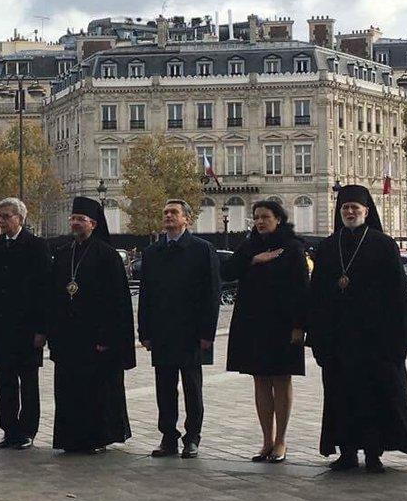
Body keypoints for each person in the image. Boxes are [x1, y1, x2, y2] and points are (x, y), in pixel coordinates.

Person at [308, 184, 407, 473]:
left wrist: (399, 339)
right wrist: (317, 336)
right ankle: (347, 453)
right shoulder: (328, 247)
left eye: (355, 208)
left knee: (375, 397)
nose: (350, 212)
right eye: (345, 208)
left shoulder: (383, 245)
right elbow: (317, 295)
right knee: (340, 397)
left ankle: (374, 454)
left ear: (366, 211)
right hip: (338, 340)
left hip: (375, 339)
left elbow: (398, 296)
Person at [38, 196, 132, 454]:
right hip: (68, 338)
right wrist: (51, 331)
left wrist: (107, 338)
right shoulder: (64, 253)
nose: (76, 223)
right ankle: (70, 439)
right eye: (73, 219)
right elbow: (53, 295)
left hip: (96, 338)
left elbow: (117, 302)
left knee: (96, 391)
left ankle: (96, 439)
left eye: (81, 219)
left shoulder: (107, 255)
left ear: (93, 223)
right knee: (68, 389)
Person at [222, 199, 309, 463]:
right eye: (256, 217)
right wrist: (252, 260)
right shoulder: (249, 246)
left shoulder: (292, 248)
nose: (260, 222)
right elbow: (226, 271)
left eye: (265, 217)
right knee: (259, 379)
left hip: (283, 324)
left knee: (281, 380)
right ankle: (266, 440)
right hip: (253, 323)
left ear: (278, 219)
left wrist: (299, 325)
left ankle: (281, 440)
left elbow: (302, 289)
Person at [138, 199, 221, 459]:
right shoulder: (153, 252)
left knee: (192, 387)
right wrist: (144, 331)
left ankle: (192, 436)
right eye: (165, 212)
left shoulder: (202, 249)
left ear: (187, 218)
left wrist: (208, 332)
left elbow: (212, 293)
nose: (168, 216)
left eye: (174, 212)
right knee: (164, 387)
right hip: (162, 330)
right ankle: (168, 436)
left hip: (191, 331)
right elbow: (146, 294)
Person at [0, 197, 49, 449]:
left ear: (20, 218)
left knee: (28, 382)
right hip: (1, 326)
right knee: (4, 381)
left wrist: (42, 329)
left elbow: (43, 290)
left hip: (27, 327)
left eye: (6, 216)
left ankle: (27, 430)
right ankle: (9, 429)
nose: (1, 221)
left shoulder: (36, 246)